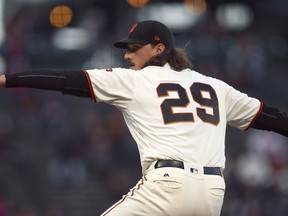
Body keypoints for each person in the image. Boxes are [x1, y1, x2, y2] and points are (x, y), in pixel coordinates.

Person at [0, 20, 287, 216]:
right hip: (212, 193)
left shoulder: (135, 81)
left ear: (159, 49)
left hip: (167, 185)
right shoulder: (216, 86)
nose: (127, 55)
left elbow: (65, 79)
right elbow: (272, 118)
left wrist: (7, 79)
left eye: (135, 48)